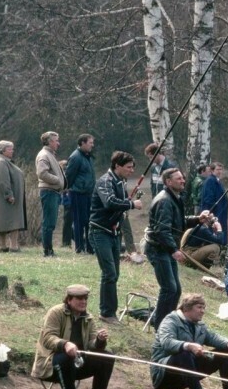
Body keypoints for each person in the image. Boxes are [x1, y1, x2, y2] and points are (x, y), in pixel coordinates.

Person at [150, 293, 228, 389]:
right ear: (187, 308)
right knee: (185, 354)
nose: (203, 311)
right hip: (165, 376)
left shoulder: (199, 325)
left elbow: (212, 337)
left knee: (225, 352)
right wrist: (188, 345)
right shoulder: (170, 320)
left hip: (188, 373)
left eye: (204, 308)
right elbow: (166, 342)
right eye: (199, 307)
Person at [31, 284, 115, 389]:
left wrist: (99, 340)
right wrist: (65, 344)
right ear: (69, 299)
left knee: (107, 356)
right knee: (66, 357)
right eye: (79, 298)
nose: (84, 302)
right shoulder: (55, 313)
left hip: (78, 364)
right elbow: (47, 338)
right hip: (52, 364)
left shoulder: (88, 318)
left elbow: (92, 346)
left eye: (85, 298)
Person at [144, 168, 210, 330]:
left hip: (165, 249)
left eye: (183, 178)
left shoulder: (174, 198)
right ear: (168, 182)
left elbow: (178, 222)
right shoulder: (164, 201)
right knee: (169, 288)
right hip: (158, 248)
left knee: (176, 289)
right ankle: (161, 327)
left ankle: (167, 324)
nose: (183, 181)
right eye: (179, 178)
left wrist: (197, 220)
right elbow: (162, 230)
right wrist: (174, 250)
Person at [89, 151, 143, 324]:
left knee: (115, 273)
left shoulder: (121, 181)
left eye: (133, 167)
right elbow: (110, 202)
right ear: (117, 166)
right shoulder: (105, 181)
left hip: (113, 232)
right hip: (99, 231)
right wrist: (131, 204)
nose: (131, 170)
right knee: (109, 273)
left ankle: (110, 309)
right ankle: (106, 313)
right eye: (128, 167)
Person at [0, 140, 26, 252]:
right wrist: (9, 195)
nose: (12, 151)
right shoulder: (1, 162)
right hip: (7, 198)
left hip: (10, 197)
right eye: (10, 149)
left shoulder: (6, 161)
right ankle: (11, 246)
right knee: (11, 221)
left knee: (9, 220)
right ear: (3, 150)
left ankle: (8, 245)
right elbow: (3, 181)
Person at [36, 131, 66, 257]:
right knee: (49, 223)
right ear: (49, 142)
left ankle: (49, 250)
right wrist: (58, 180)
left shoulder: (49, 154)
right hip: (49, 192)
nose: (58, 143)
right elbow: (42, 173)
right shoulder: (44, 155)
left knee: (51, 222)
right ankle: (47, 251)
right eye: (56, 141)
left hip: (53, 192)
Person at [66, 134, 96, 254]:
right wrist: (71, 189)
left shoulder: (87, 156)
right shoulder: (76, 157)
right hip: (78, 193)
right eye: (90, 143)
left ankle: (89, 246)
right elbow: (69, 176)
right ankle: (79, 247)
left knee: (89, 220)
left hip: (88, 193)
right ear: (82, 143)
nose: (92, 145)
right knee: (79, 221)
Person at [200, 162, 228, 244]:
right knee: (215, 231)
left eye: (221, 169)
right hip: (215, 212)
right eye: (217, 169)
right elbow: (208, 198)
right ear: (212, 170)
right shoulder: (210, 181)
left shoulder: (217, 180)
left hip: (221, 212)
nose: (219, 172)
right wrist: (211, 212)